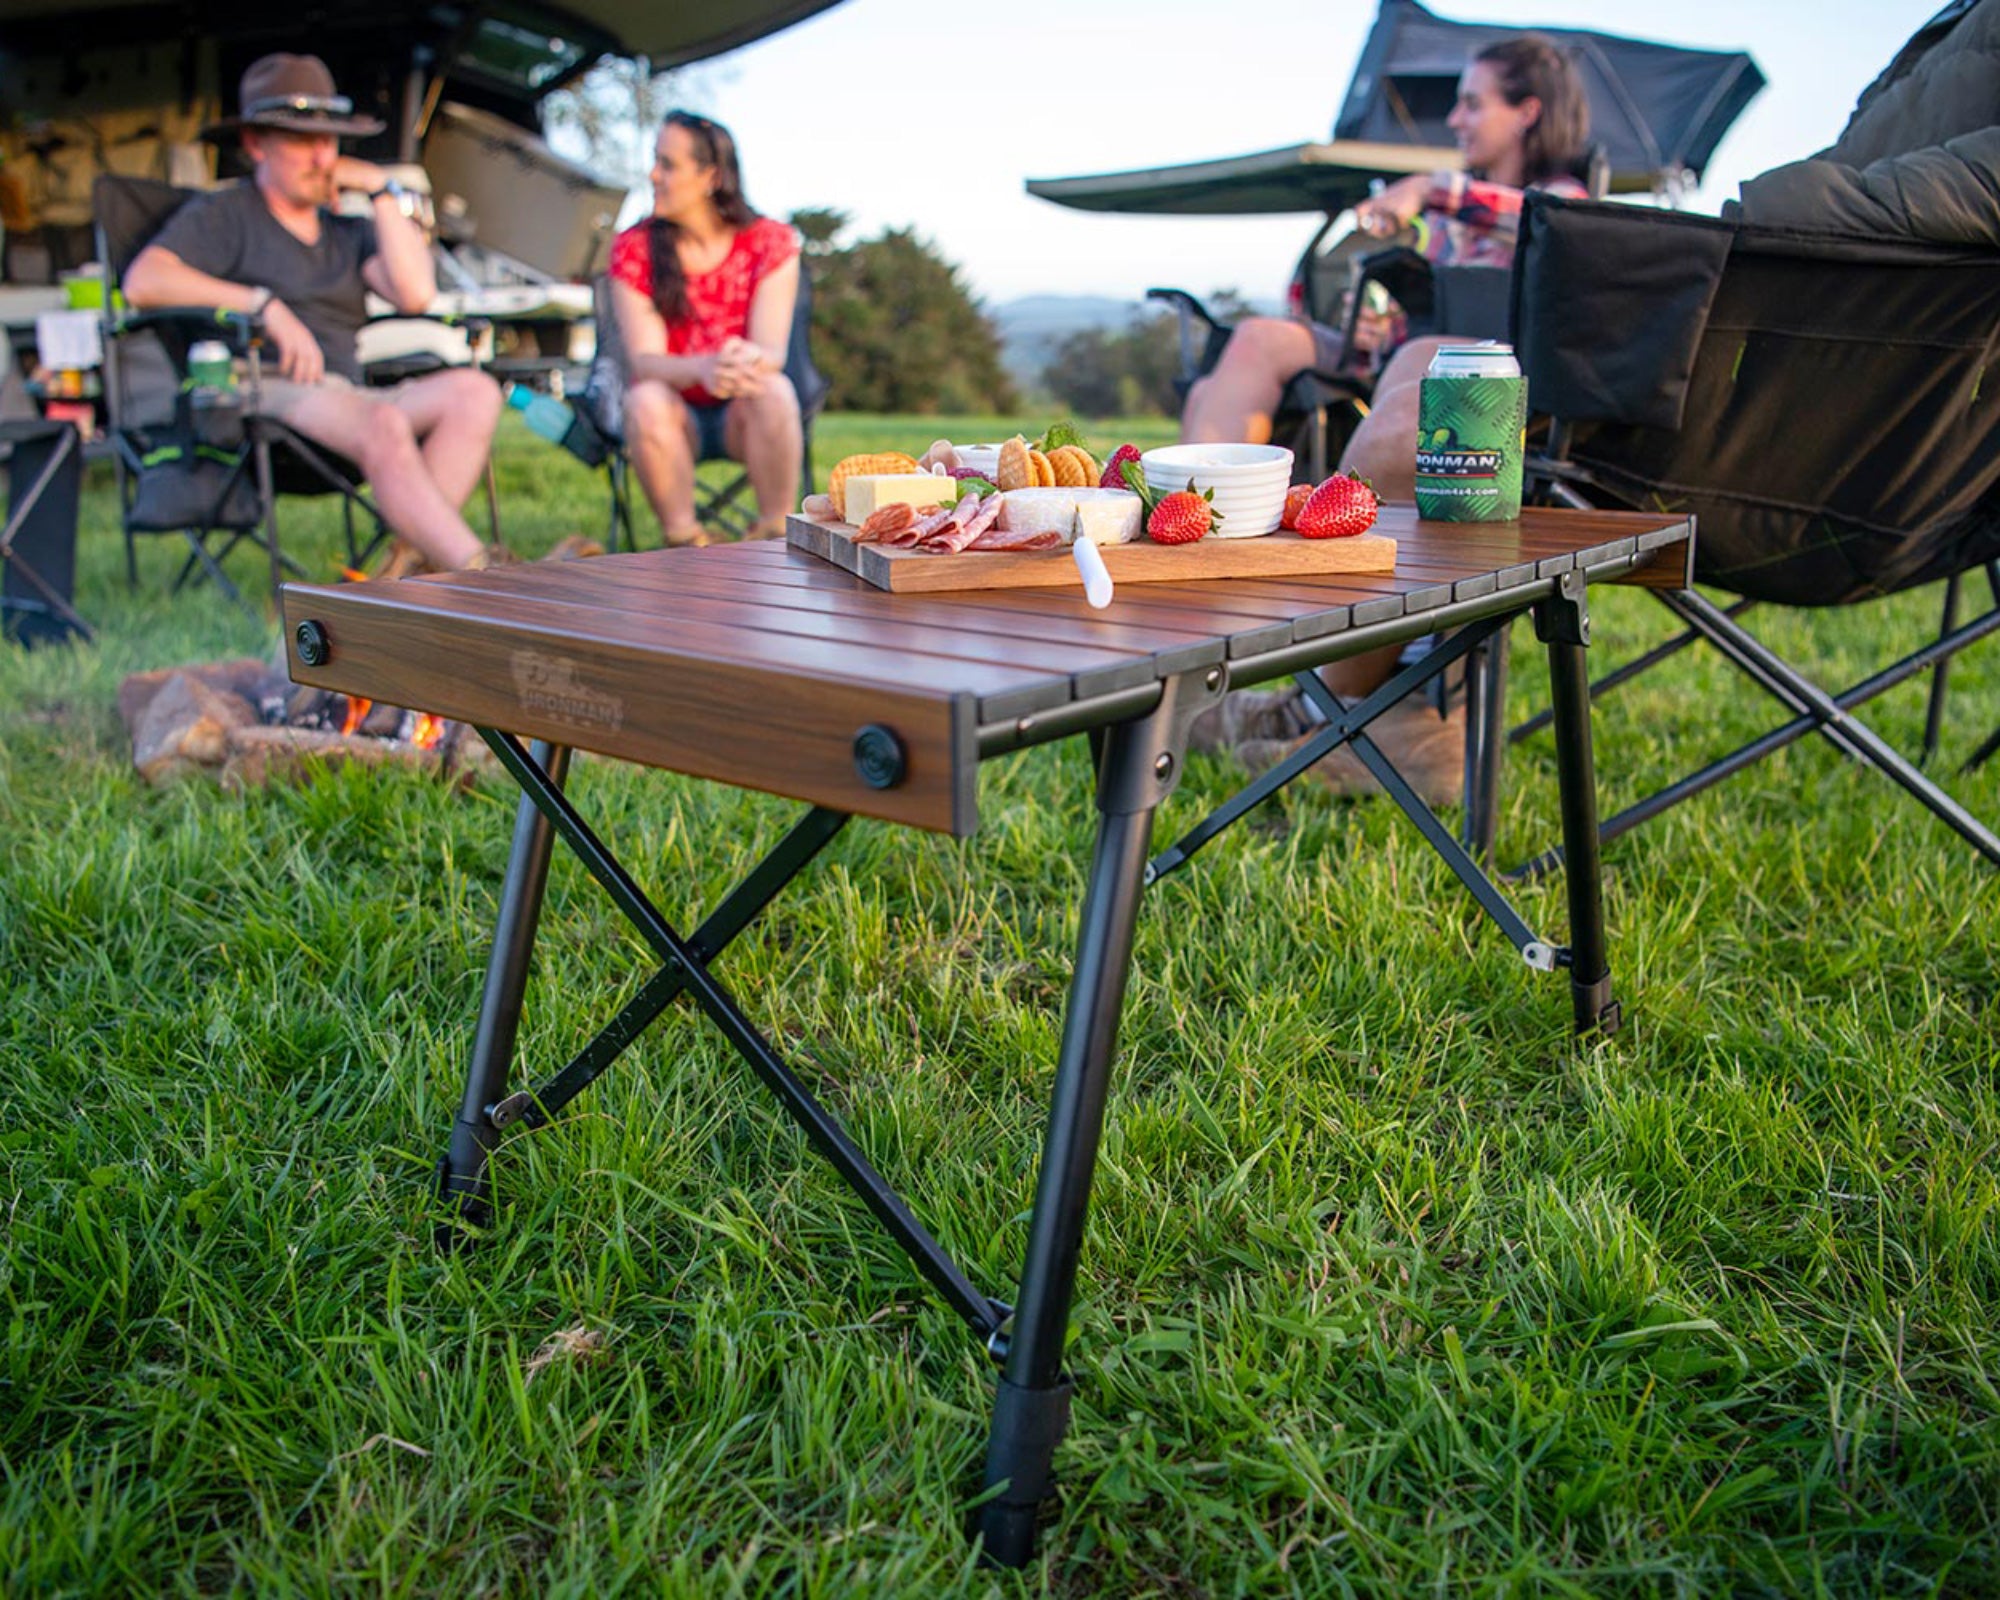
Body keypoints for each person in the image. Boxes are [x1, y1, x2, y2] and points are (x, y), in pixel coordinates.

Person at [1183, 36, 1591, 801]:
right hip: (1404, 355)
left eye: (1474, 103)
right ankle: (1200, 570)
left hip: (1484, 399)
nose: (1459, 120)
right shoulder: (1450, 206)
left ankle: (1322, 703)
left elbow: (1548, 232)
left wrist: (1430, 187)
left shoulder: (1566, 202)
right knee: (1257, 337)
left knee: (1425, 370)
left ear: (1527, 112)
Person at [122, 53, 506, 574]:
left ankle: (408, 566)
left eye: (330, 141)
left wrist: (380, 191)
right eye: (303, 140)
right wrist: (263, 305)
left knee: (474, 392)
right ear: (256, 144)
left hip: (346, 394)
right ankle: (479, 571)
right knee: (384, 420)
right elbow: (144, 281)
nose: (322, 157)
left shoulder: (345, 230)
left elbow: (415, 296)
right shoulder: (229, 215)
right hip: (264, 387)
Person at [605, 111, 803, 547]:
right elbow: (645, 360)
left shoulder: (770, 241)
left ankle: (777, 538)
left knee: (774, 389)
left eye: (668, 164)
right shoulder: (634, 247)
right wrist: (703, 368)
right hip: (674, 418)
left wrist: (738, 361)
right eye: (655, 161)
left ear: (711, 176)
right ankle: (685, 544)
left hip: (743, 414)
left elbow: (772, 350)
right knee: (644, 399)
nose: (654, 175)